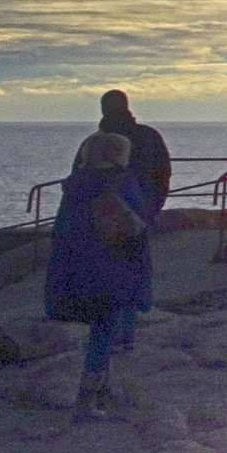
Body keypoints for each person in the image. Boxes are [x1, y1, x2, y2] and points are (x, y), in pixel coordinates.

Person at [45, 131, 154, 421]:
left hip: (80, 268)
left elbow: (65, 232)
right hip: (116, 267)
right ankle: (91, 397)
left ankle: (95, 392)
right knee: (107, 333)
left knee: (100, 331)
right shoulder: (121, 184)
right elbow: (138, 225)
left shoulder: (76, 187)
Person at [100, 90, 173, 219]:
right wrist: (154, 207)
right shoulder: (150, 135)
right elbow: (164, 172)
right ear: (126, 106)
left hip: (104, 215)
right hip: (146, 208)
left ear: (103, 110)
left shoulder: (94, 142)